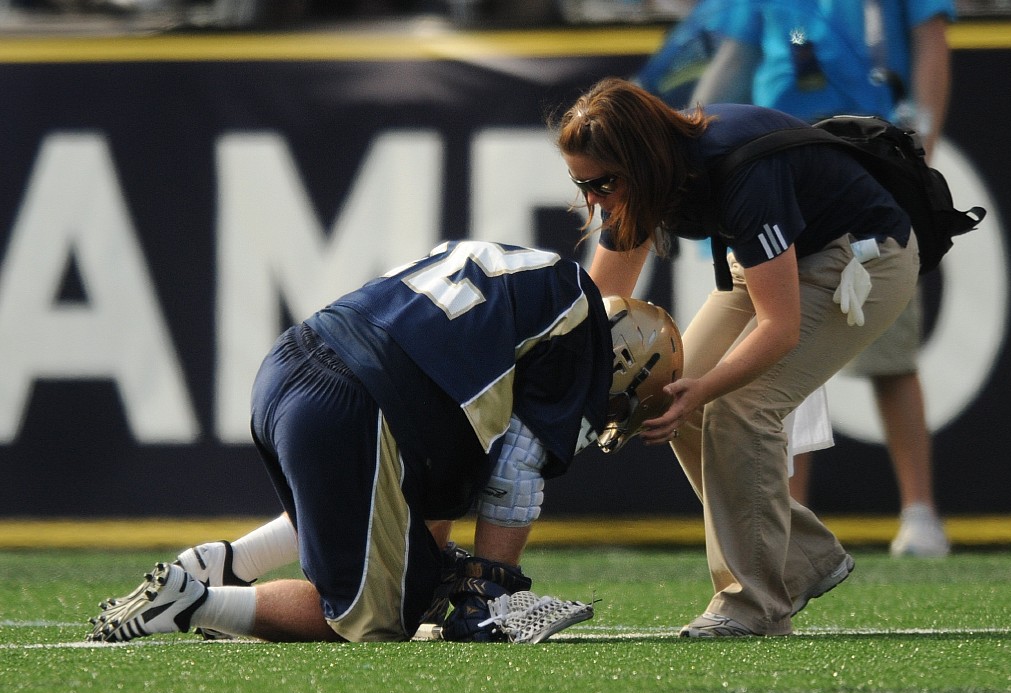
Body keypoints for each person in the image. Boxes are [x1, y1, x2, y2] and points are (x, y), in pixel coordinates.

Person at [87, 240, 683, 644]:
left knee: (389, 526)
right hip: (353, 405)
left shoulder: (524, 284)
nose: (613, 412)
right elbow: (518, 470)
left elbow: (430, 483)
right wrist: (491, 587)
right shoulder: (577, 337)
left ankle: (227, 564)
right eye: (626, 398)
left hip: (293, 366)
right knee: (376, 617)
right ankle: (193, 604)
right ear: (625, 361)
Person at [556, 77, 920, 637]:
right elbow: (599, 307)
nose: (594, 201)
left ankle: (755, 605)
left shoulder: (742, 169)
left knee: (739, 406)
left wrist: (703, 388)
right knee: (662, 399)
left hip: (858, 262)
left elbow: (779, 327)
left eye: (602, 183)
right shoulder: (642, 170)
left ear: (641, 162)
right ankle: (799, 557)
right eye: (582, 185)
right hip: (776, 264)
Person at [689, 0, 954, 558]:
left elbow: (930, 42)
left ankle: (920, 509)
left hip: (860, 152)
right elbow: (736, 57)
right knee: (775, 367)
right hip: (774, 156)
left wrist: (922, 139)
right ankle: (787, 523)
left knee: (890, 359)